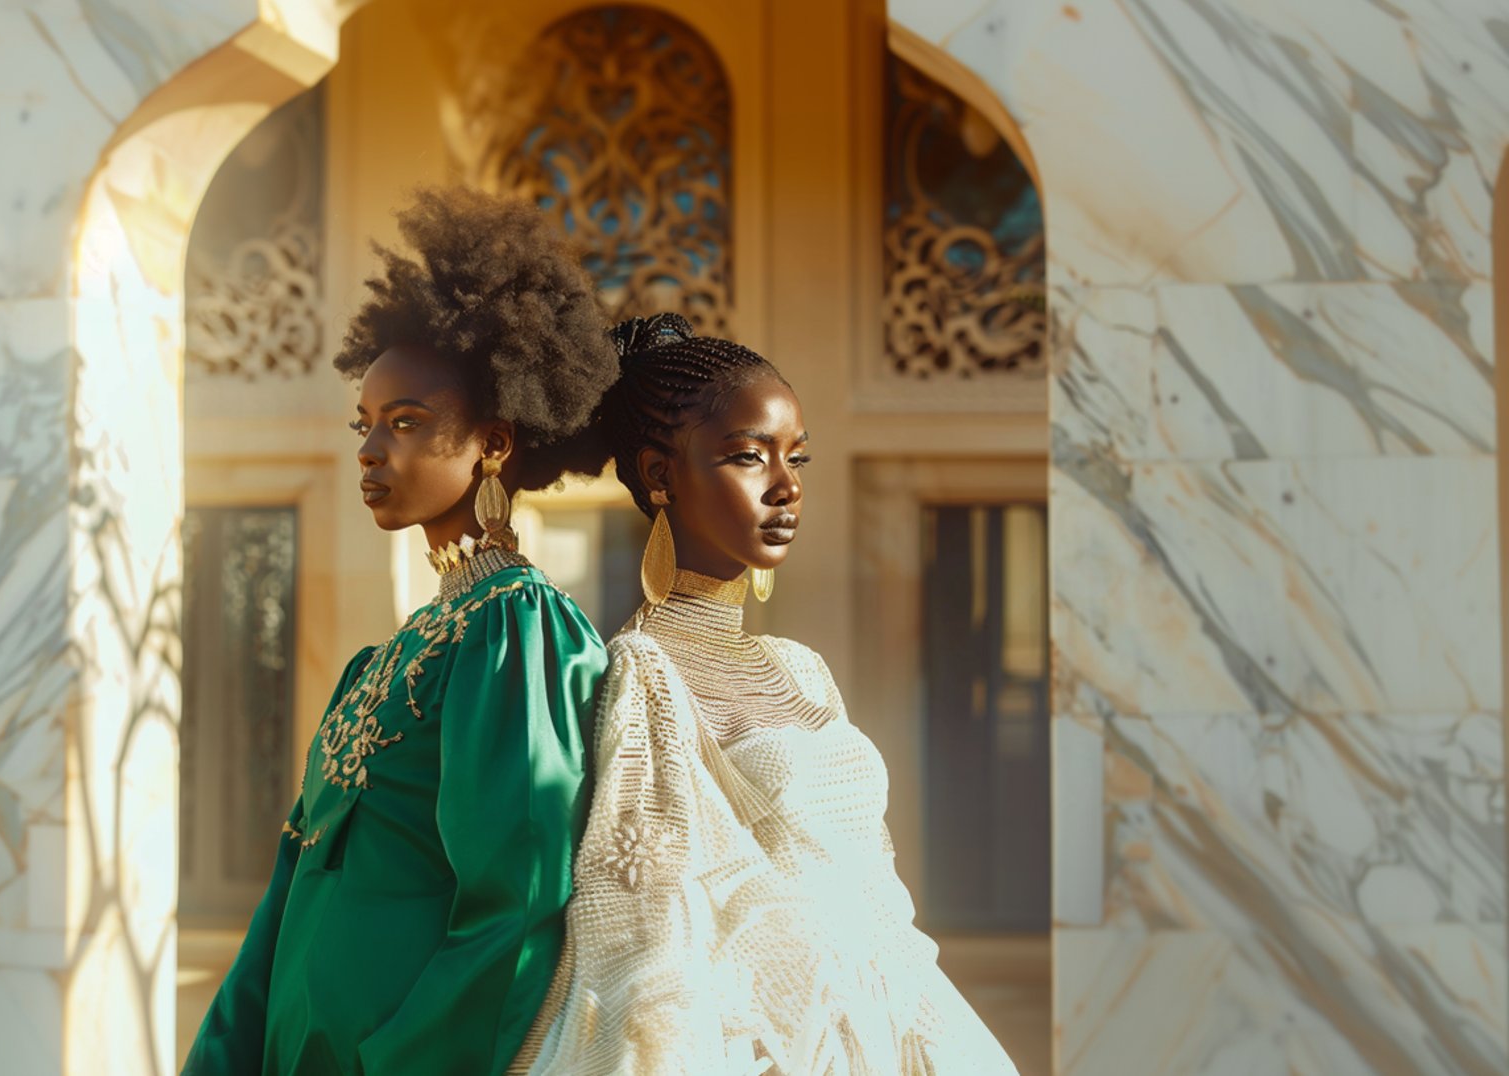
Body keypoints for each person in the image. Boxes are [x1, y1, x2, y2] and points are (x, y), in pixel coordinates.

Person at [183, 188, 619, 1076]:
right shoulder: (377, 665)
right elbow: (282, 905)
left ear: (494, 444)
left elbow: (516, 911)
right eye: (366, 423)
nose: (370, 448)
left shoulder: (514, 633)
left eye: (407, 422)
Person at [516, 314, 1019, 1075]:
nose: (787, 486)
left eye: (797, 456)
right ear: (659, 474)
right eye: (749, 457)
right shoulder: (644, 671)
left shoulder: (801, 669)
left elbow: (878, 895)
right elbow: (648, 918)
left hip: (901, 1024)